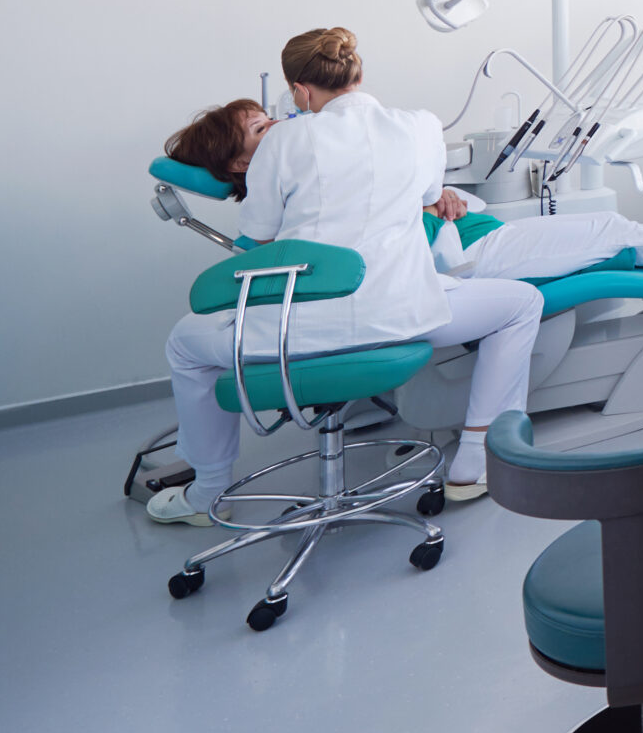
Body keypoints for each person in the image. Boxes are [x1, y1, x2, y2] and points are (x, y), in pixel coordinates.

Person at [146, 27, 542, 524]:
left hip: (297, 330)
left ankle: (207, 493)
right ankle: (476, 461)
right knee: (522, 303)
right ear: (357, 74)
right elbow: (426, 199)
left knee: (185, 342)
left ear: (300, 91)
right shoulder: (420, 126)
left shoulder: (284, 140)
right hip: (404, 317)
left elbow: (262, 242)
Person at [163, 100, 643, 279]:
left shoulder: (318, 176)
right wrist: (436, 203)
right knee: (613, 233)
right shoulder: (291, 209)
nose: (280, 128)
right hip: (469, 256)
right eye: (261, 130)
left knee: (610, 235)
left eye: (271, 118)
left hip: (475, 232)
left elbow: (438, 201)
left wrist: (442, 196)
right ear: (238, 162)